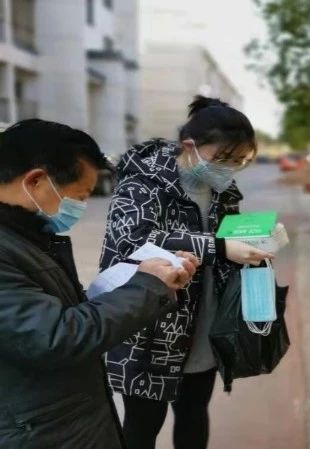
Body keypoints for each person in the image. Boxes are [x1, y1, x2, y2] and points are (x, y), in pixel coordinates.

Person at [0, 119, 199, 449]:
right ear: (35, 181)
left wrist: (140, 281)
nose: (80, 207)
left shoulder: (27, 235)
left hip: (62, 416)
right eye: (79, 196)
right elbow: (56, 337)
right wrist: (148, 286)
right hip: (38, 430)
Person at [99, 96, 273, 449]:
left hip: (205, 322)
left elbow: (229, 237)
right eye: (223, 159)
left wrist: (251, 245)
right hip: (150, 330)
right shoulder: (143, 183)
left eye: (240, 161)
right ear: (189, 146)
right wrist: (218, 247)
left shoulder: (224, 190)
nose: (230, 169)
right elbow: (131, 241)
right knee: (142, 426)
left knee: (194, 414)